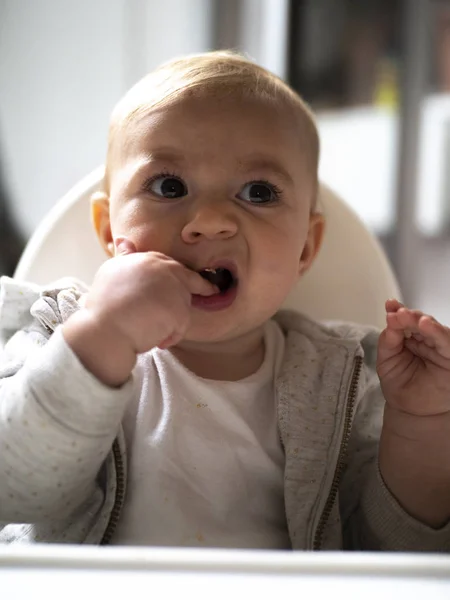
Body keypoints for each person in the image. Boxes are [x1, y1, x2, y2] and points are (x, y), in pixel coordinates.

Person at [1, 51, 449, 550]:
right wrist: (100, 336)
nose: (210, 220)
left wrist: (422, 426)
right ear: (110, 230)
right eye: (169, 186)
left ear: (305, 247)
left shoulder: (345, 377)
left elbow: (393, 552)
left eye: (258, 192)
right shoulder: (54, 331)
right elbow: (13, 489)